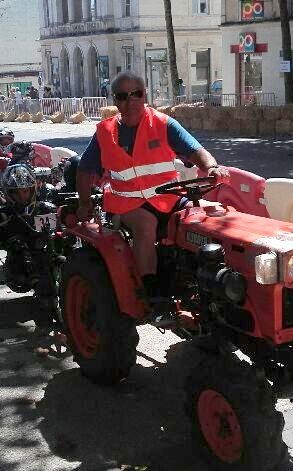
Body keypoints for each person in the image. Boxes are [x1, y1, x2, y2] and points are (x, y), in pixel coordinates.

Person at [75, 71, 229, 314]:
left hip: (169, 198)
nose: (131, 101)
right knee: (146, 225)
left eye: (136, 94)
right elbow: (84, 171)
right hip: (126, 203)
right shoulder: (105, 133)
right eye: (123, 96)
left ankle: (211, 282)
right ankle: (152, 292)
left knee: (207, 219)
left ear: (144, 95)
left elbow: (195, 150)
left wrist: (211, 167)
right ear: (115, 101)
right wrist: (84, 203)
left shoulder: (164, 124)